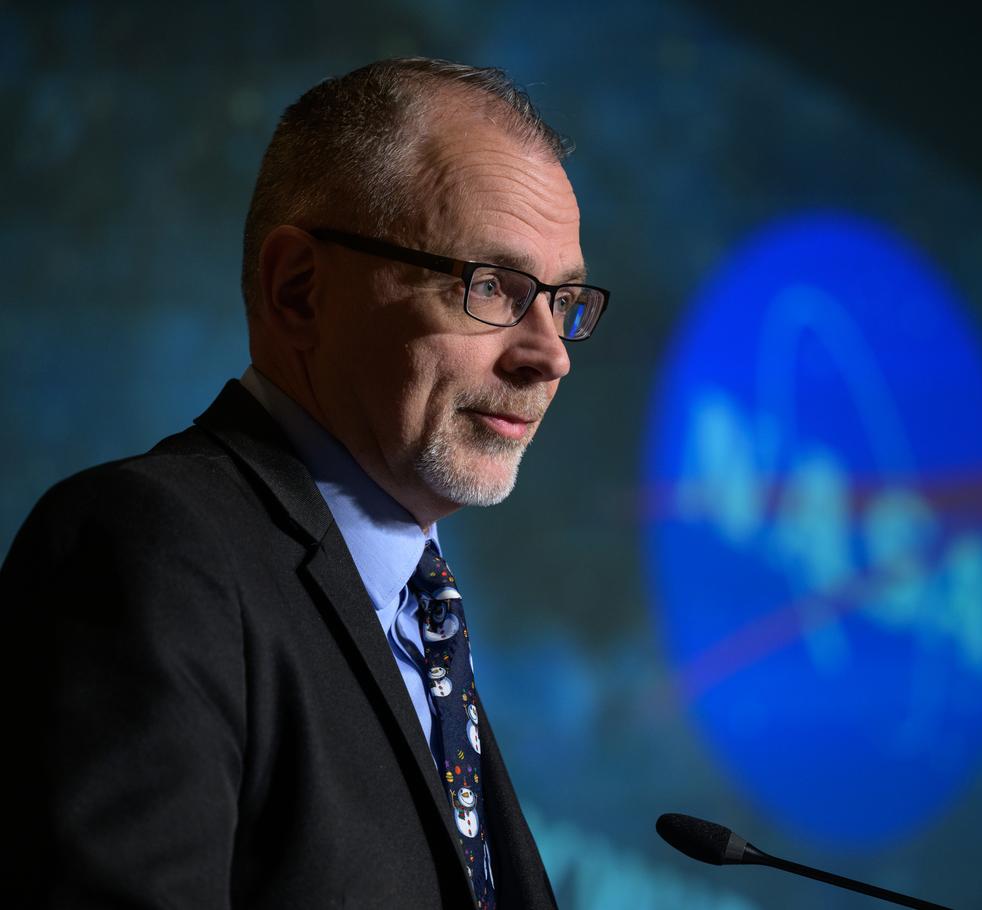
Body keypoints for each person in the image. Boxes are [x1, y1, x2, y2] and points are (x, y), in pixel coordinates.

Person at [0, 57, 608, 908]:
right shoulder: (148, 548)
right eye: (492, 288)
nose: (551, 355)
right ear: (298, 291)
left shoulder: (420, 622)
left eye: (566, 302)